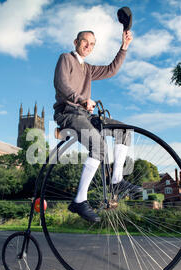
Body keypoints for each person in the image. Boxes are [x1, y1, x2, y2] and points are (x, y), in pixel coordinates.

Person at [53, 29, 141, 223]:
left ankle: (116, 180)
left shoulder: (89, 69)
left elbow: (111, 70)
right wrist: (82, 99)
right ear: (76, 41)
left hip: (85, 114)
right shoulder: (66, 59)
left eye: (92, 44)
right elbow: (61, 84)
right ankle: (79, 200)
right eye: (85, 42)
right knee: (99, 146)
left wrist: (124, 47)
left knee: (124, 130)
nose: (88, 47)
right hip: (68, 113)